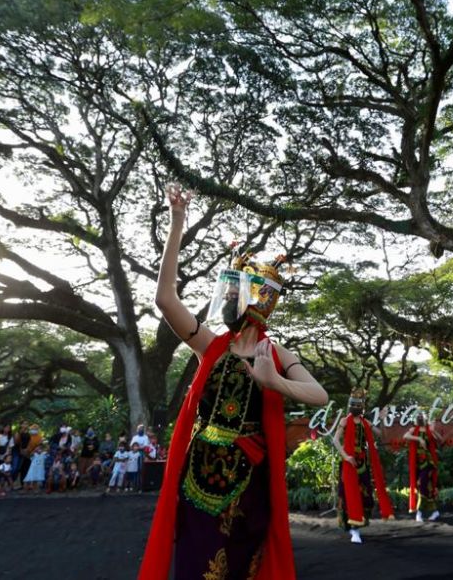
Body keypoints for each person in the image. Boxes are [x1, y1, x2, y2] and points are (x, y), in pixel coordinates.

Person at [138, 184, 328, 580]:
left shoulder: (276, 356)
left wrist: (275, 381)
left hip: (248, 487)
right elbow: (165, 299)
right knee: (195, 567)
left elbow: (319, 395)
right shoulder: (210, 345)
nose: (226, 301)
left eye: (234, 292)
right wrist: (177, 223)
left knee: (242, 569)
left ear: (256, 302)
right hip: (198, 478)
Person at [332, 389, 394, 544]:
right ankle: (354, 529)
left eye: (358, 405)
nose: (356, 407)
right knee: (349, 495)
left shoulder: (366, 422)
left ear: (363, 407)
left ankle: (357, 525)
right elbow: (335, 440)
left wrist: (381, 420)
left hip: (362, 464)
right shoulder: (345, 421)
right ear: (349, 406)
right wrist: (346, 456)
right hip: (349, 463)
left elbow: (381, 434)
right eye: (353, 404)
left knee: (365, 496)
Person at [403, 411, 441, 522]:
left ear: (425, 418)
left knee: (423, 483)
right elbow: (405, 436)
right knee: (425, 487)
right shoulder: (413, 430)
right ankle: (435, 511)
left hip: (429, 462)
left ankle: (419, 512)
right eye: (418, 416)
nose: (420, 418)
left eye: (421, 416)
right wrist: (419, 438)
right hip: (417, 462)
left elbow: (439, 440)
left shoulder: (429, 429)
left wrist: (434, 432)